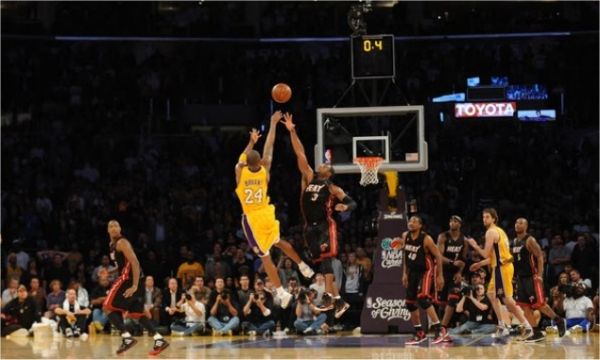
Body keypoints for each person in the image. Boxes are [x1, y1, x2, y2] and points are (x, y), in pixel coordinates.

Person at [234, 112, 314, 310]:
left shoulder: (240, 172)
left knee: (265, 256)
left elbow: (242, 158)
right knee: (279, 242)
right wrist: (272, 124)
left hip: (252, 219)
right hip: (266, 213)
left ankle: (280, 292)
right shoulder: (265, 171)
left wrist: (251, 142)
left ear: (246, 163)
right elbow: (269, 146)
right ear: (260, 162)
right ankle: (303, 265)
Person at [281, 112, 356, 318]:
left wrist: (345, 208)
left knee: (328, 259)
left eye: (324, 165)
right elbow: (300, 153)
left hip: (325, 225)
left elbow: (351, 202)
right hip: (309, 227)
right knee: (322, 264)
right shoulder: (309, 176)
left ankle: (336, 300)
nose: (320, 164)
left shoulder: (332, 187)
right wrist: (292, 130)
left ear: (329, 172)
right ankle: (337, 301)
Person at [102, 220, 169, 355]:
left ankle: (126, 337)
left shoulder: (122, 242)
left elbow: (135, 262)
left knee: (107, 307)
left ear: (120, 229)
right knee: (135, 312)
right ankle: (159, 339)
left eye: (116, 226)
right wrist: (110, 272)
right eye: (111, 226)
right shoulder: (112, 244)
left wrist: (134, 285)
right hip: (133, 279)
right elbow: (122, 265)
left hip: (129, 280)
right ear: (108, 230)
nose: (114, 228)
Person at [468, 208, 533, 340]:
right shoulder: (500, 231)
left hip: (502, 268)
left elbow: (485, 253)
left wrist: (474, 245)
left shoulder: (491, 232)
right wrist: (480, 264)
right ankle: (502, 326)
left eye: (487, 217)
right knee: (491, 294)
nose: (484, 219)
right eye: (483, 217)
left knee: (508, 300)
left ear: (493, 219)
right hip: (500, 267)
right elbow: (493, 256)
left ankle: (527, 327)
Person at [511, 218, 566, 341]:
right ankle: (535, 332)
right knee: (525, 306)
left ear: (526, 226)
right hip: (520, 278)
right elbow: (515, 260)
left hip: (532, 276)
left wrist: (540, 275)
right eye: (516, 222)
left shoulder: (529, 240)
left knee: (540, 305)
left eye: (520, 223)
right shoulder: (514, 241)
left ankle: (558, 320)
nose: (517, 224)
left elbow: (540, 256)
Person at [398, 215, 445, 345]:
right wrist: (404, 274)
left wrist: (440, 275)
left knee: (423, 298)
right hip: (412, 271)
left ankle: (439, 329)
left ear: (420, 225)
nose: (411, 223)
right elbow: (406, 256)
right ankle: (419, 333)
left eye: (414, 221)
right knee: (409, 303)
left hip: (426, 270)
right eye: (410, 221)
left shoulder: (426, 239)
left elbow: (438, 256)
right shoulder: (404, 236)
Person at [435, 215, 468, 342]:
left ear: (460, 224)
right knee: (442, 304)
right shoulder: (443, 237)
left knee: (453, 300)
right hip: (443, 272)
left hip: (455, 274)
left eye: (455, 221)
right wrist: (441, 274)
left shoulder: (464, 240)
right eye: (450, 220)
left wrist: (460, 273)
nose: (452, 223)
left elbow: (463, 260)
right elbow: (439, 257)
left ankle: (443, 328)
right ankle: (440, 330)